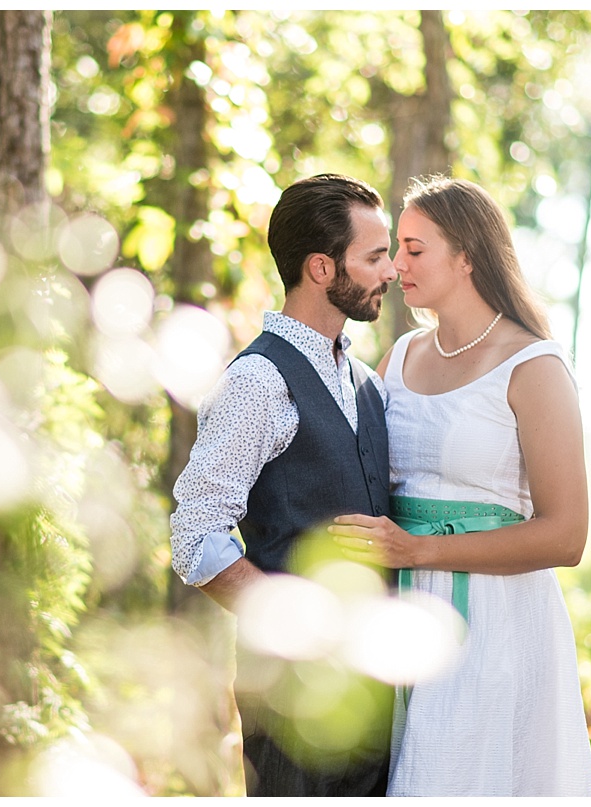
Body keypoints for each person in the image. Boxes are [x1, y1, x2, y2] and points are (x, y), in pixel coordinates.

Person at [330, 175, 591, 797]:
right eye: (396, 248)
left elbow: (567, 536)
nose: (396, 265)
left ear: (468, 256)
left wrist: (420, 550)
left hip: (498, 617)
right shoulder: (398, 356)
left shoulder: (534, 366)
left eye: (415, 249)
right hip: (402, 608)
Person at [170, 173, 399, 797]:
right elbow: (196, 534)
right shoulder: (257, 382)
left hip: (377, 696)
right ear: (322, 269)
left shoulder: (366, 383)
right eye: (375, 257)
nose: (392, 271)